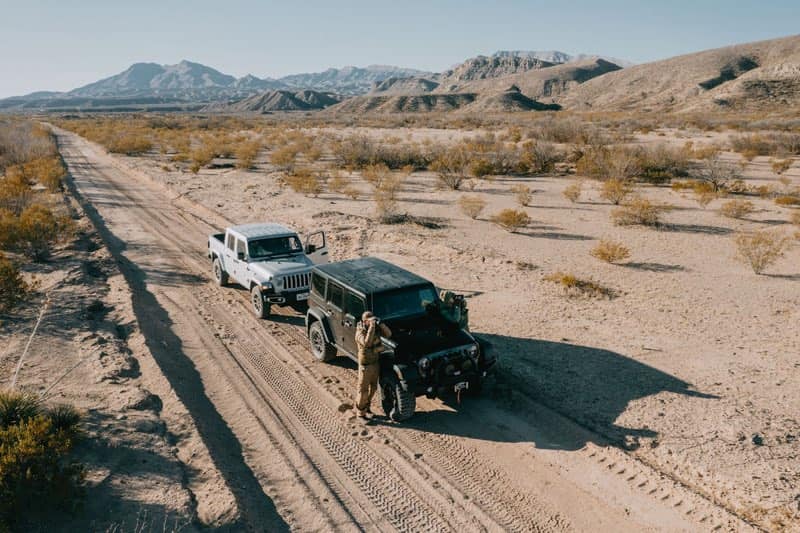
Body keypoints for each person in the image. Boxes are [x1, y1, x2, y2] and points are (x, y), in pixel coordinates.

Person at [354, 311, 392, 418]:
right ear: (364, 321)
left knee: (373, 388)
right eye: (369, 320)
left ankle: (366, 406)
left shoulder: (376, 328)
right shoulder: (359, 333)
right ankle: (360, 412)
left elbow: (389, 334)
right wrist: (371, 327)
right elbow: (367, 343)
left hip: (375, 363)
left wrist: (381, 324)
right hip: (365, 366)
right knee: (363, 391)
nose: (372, 321)